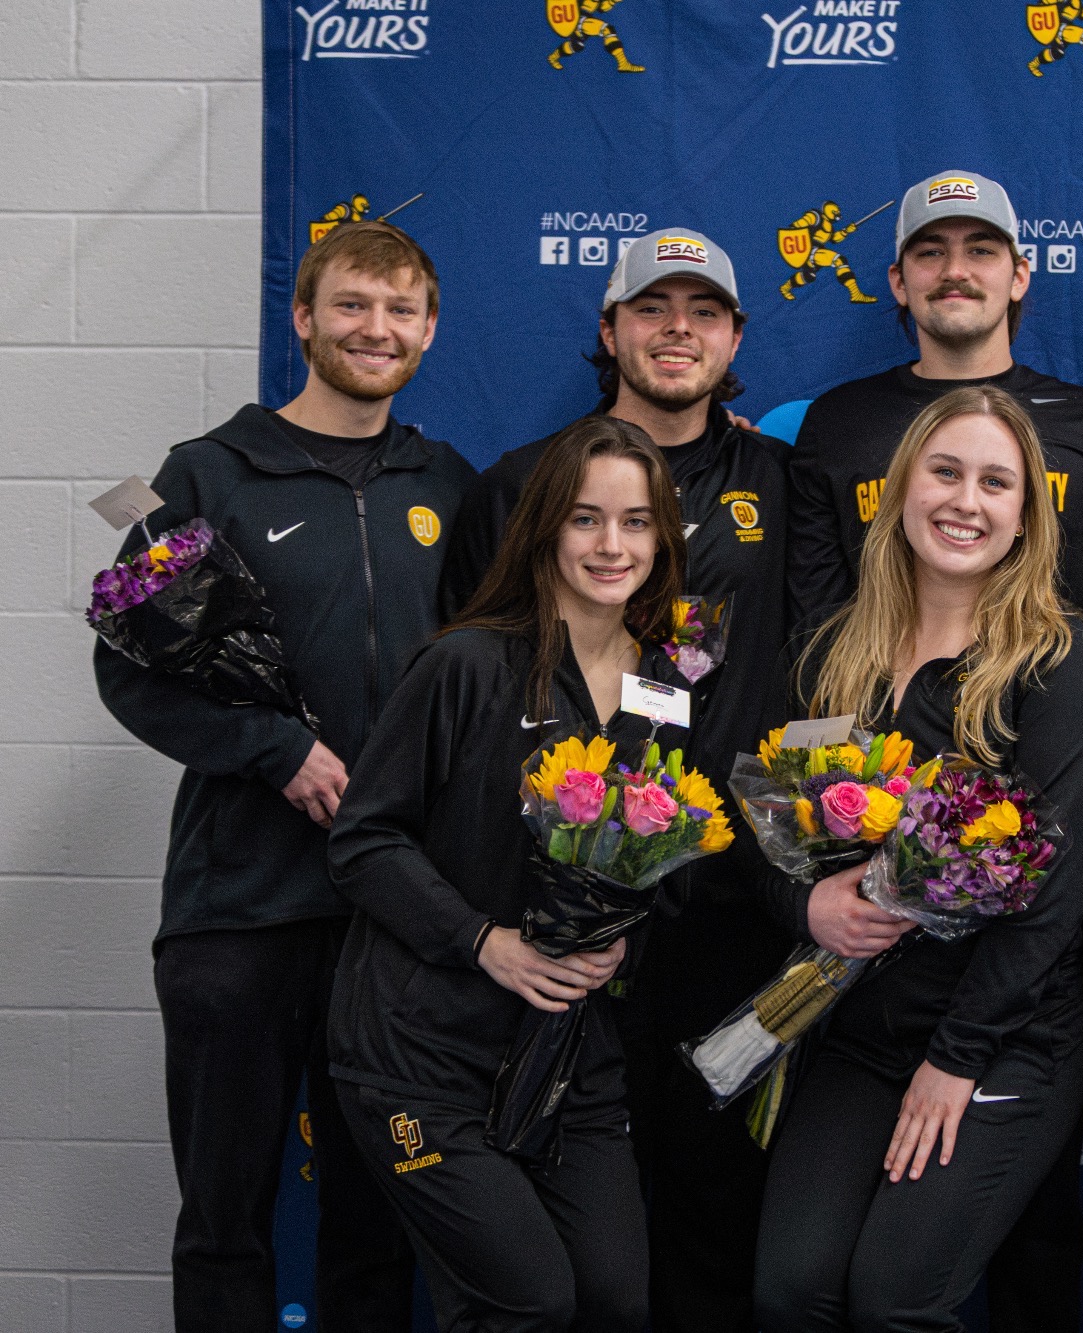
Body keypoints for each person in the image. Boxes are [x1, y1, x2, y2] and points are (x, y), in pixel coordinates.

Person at [92, 220, 465, 1332]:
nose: (376, 329)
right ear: (301, 318)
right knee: (223, 1223)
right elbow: (130, 671)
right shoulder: (205, 473)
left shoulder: (445, 481)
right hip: (236, 915)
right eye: (351, 305)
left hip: (387, 921)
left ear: (430, 330)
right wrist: (277, 750)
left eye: (400, 310)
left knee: (375, 1223)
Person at [439, 229, 793, 1331]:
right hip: (551, 913)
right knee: (561, 1226)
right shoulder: (518, 486)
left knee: (711, 1199)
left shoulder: (786, 483)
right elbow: (469, 683)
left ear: (734, 337)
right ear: (609, 331)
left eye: (702, 311)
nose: (675, 328)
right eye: (650, 307)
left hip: (724, 913)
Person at [752, 387, 1083, 1333]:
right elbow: (773, 838)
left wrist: (956, 1058)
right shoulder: (834, 654)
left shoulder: (1054, 663)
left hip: (1003, 1040)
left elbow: (1055, 894)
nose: (968, 500)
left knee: (896, 1301)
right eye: (946, 471)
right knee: (792, 1290)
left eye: (998, 482)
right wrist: (809, 907)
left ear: (1028, 515)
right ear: (896, 490)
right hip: (860, 1033)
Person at [326, 416, 690, 1332]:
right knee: (524, 1300)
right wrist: (482, 940)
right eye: (586, 519)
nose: (613, 545)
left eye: (637, 522)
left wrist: (619, 942)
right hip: (423, 1059)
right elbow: (363, 842)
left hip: (572, 1062)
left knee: (613, 1297)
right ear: (543, 529)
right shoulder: (466, 663)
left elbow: (659, 868)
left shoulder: (664, 692)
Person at [787, 169, 1083, 644]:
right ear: (899, 281)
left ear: (1019, 275)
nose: (955, 270)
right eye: (931, 252)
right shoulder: (836, 423)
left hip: (1049, 704)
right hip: (878, 708)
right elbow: (818, 628)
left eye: (980, 250)